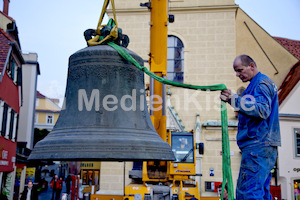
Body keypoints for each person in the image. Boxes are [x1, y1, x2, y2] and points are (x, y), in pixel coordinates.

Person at [220, 54, 280, 199]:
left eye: (240, 70)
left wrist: (233, 99)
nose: (237, 74)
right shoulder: (260, 84)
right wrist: (232, 99)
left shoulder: (260, 84)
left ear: (251, 66)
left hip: (257, 145)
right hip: (263, 146)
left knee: (248, 192)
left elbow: (261, 110)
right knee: (261, 192)